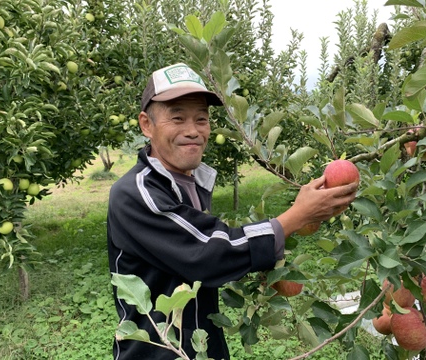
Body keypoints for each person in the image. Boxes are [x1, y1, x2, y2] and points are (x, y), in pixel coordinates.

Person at [107, 62, 358, 359]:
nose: (193, 130)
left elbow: (202, 251)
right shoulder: (136, 194)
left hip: (202, 344)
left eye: (201, 119)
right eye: (177, 118)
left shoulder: (189, 181)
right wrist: (297, 216)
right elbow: (207, 253)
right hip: (159, 351)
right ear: (146, 124)